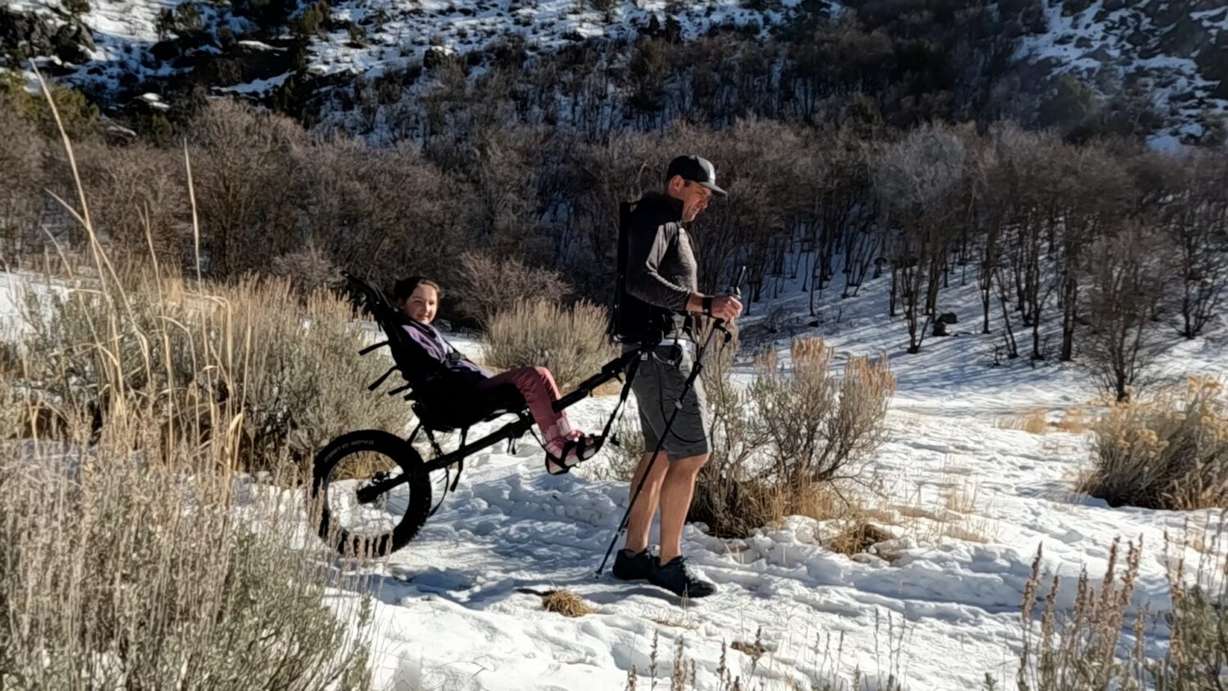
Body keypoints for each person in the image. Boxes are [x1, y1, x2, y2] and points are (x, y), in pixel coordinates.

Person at [609, 155, 743, 598]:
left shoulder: (665, 222)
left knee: (659, 453)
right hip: (660, 353)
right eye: (701, 194)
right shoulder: (657, 217)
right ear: (677, 183)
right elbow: (638, 281)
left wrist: (706, 311)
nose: (704, 204)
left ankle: (634, 556)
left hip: (656, 349)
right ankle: (668, 561)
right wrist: (703, 304)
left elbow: (653, 286)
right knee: (692, 454)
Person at [392, 277, 596, 474]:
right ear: (402, 303)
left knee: (542, 373)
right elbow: (437, 368)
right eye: (418, 302)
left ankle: (564, 439)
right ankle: (556, 448)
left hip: (471, 384)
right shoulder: (408, 332)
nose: (426, 309)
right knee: (531, 375)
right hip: (462, 394)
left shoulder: (425, 330)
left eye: (431, 303)